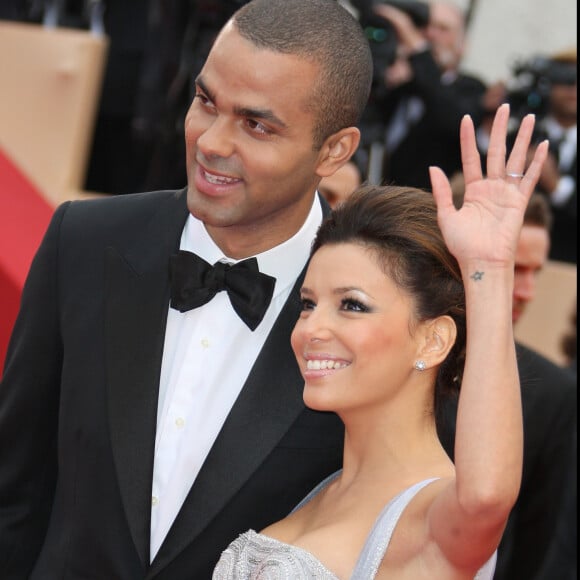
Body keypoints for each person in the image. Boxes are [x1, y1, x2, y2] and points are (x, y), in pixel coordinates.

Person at [0, 1, 374, 578]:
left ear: (335, 150)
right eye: (206, 102)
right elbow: (14, 486)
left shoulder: (367, 309)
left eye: (256, 124)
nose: (211, 142)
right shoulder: (84, 242)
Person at [212, 104, 549, 578]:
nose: (311, 329)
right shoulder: (319, 491)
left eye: (351, 304)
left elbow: (485, 497)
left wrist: (489, 270)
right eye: (308, 304)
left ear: (433, 341)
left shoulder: (432, 516)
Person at [443, 188, 577, 579]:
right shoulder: (382, 356)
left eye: (537, 273)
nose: (528, 292)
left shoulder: (552, 393)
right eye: (514, 269)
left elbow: (537, 548)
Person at [361, 0, 487, 188]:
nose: (431, 35)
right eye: (425, 26)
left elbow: (450, 119)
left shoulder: (472, 89)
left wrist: (419, 51)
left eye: (443, 29)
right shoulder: (400, 82)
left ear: (463, 45)